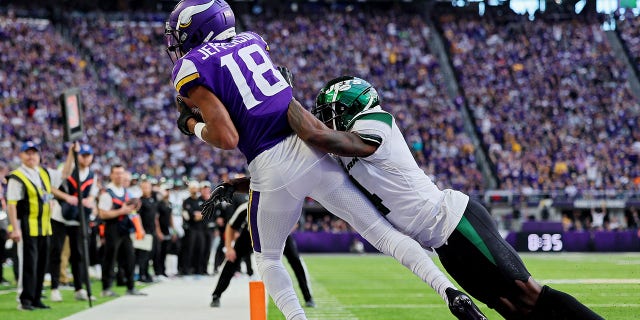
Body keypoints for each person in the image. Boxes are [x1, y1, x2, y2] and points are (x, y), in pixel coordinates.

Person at [166, 2, 482, 319]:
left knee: (269, 259)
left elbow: (227, 138)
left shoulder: (191, 66)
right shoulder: (253, 40)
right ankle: (449, 292)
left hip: (269, 166)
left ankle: (297, 317)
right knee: (382, 233)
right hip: (311, 153)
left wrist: (192, 125)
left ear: (198, 28)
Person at [286, 75, 604, 320]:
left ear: (354, 107)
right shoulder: (343, 146)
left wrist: (283, 96)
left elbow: (318, 135)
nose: (327, 120)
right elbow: (297, 160)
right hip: (442, 245)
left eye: (332, 113)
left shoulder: (377, 122)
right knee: (510, 309)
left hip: (456, 222)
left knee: (528, 293)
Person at [6, 141, 78, 310]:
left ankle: (37, 297)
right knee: (28, 264)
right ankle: (25, 300)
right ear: (21, 156)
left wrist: (71, 154)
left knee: (40, 264)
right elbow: (11, 204)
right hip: (27, 226)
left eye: (34, 153)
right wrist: (15, 228)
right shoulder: (17, 176)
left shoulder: (44, 173)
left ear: (39, 156)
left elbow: (65, 173)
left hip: (44, 225)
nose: (31, 156)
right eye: (27, 153)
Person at [210, 197, 315, 308]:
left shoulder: (280, 206)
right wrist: (229, 248)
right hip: (251, 235)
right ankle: (216, 295)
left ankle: (308, 297)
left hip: (278, 234)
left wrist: (284, 229)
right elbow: (231, 226)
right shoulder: (246, 207)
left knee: (295, 260)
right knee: (232, 260)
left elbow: (294, 223)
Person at [50, 143, 98, 302]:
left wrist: (88, 201)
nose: (86, 158)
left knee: (79, 253)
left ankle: (79, 288)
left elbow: (92, 194)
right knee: (56, 251)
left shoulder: (92, 175)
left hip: (78, 218)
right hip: (60, 216)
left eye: (88, 155)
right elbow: (53, 187)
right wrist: (67, 198)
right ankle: (55, 288)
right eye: (83, 155)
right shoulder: (68, 168)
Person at [97, 164, 147, 297]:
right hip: (112, 228)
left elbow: (132, 211)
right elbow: (102, 214)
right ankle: (106, 288)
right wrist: (121, 211)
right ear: (112, 175)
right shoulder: (107, 192)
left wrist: (133, 208)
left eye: (121, 173)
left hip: (124, 228)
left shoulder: (125, 192)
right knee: (110, 258)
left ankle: (131, 286)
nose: (119, 176)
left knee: (130, 257)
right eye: (117, 173)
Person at [135, 179, 159, 282]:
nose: (146, 189)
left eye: (147, 187)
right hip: (144, 230)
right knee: (143, 254)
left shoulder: (153, 199)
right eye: (144, 187)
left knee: (151, 253)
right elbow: (137, 216)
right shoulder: (140, 201)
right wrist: (140, 229)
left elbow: (155, 217)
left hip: (152, 230)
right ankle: (142, 275)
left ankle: (147, 273)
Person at [180, 181, 206, 275]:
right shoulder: (186, 201)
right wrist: (198, 215)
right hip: (191, 229)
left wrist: (198, 215)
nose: (194, 190)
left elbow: (205, 214)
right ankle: (186, 270)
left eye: (195, 188)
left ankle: (198, 270)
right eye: (192, 188)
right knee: (189, 250)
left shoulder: (201, 200)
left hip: (200, 229)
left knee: (200, 249)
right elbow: (189, 216)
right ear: (189, 189)